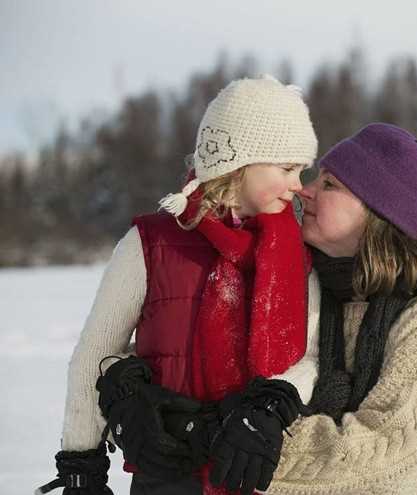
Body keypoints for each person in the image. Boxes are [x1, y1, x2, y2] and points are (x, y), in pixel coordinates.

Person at [39, 75, 321, 495]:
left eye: (302, 169)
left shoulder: (295, 254)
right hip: (167, 472)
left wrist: (271, 405)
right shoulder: (150, 244)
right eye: (287, 168)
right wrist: (84, 464)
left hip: (259, 471)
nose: (299, 185)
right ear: (238, 165)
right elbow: (94, 354)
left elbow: (308, 354)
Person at [268, 123, 417, 494]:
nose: (304, 191)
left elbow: (391, 457)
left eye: (330, 184)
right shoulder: (305, 294)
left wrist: (247, 444)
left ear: (378, 214)